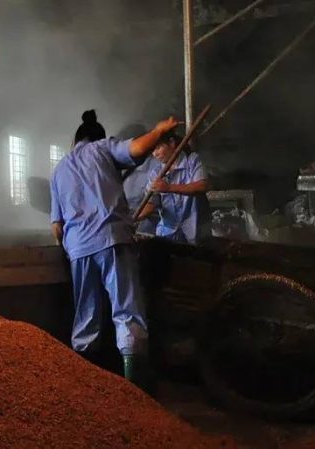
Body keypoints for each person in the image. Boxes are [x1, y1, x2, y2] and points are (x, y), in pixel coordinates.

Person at [50, 110, 181, 389]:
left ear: (75, 141)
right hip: (112, 240)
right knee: (126, 311)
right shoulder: (102, 148)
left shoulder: (59, 169)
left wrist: (72, 246)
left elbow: (57, 227)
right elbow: (137, 148)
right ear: (99, 138)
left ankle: (87, 387)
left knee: (87, 314)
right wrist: (159, 131)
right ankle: (133, 388)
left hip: (79, 249)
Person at [137, 131, 210, 244]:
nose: (155, 154)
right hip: (168, 233)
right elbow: (151, 203)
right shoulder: (156, 173)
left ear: (171, 143)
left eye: (158, 148)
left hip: (195, 231)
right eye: (152, 150)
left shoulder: (192, 160)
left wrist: (169, 187)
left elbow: (202, 186)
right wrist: (135, 217)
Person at [119, 123, 159, 235]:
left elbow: (152, 204)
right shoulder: (122, 166)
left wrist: (129, 221)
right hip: (124, 228)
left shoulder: (155, 165)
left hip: (146, 231)